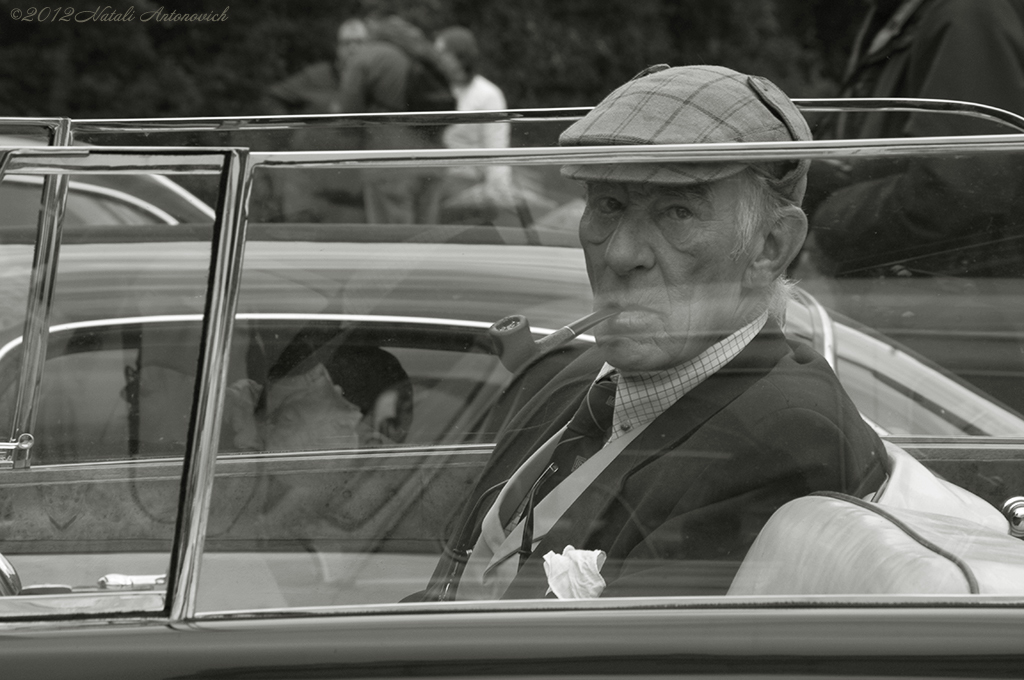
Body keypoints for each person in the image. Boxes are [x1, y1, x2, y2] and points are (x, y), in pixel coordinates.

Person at [418, 65, 886, 601]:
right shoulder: (568, 376)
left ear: (770, 247)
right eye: (608, 205)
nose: (620, 254)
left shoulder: (782, 435)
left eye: (677, 213)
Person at [806, 0, 1024, 277]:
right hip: (930, 294)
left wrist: (828, 223)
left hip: (957, 304)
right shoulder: (907, 14)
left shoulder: (970, 11)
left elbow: (958, 191)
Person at [336, 15, 450, 225]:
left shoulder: (365, 58)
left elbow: (348, 120)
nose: (352, 47)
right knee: (428, 242)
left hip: (390, 164)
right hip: (435, 161)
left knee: (393, 245)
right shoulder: (421, 54)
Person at [433, 26, 516, 222]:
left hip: (468, 187)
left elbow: (496, 147)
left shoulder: (487, 94)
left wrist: (498, 193)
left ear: (460, 57)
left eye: (442, 53)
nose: (435, 58)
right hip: (433, 181)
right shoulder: (432, 91)